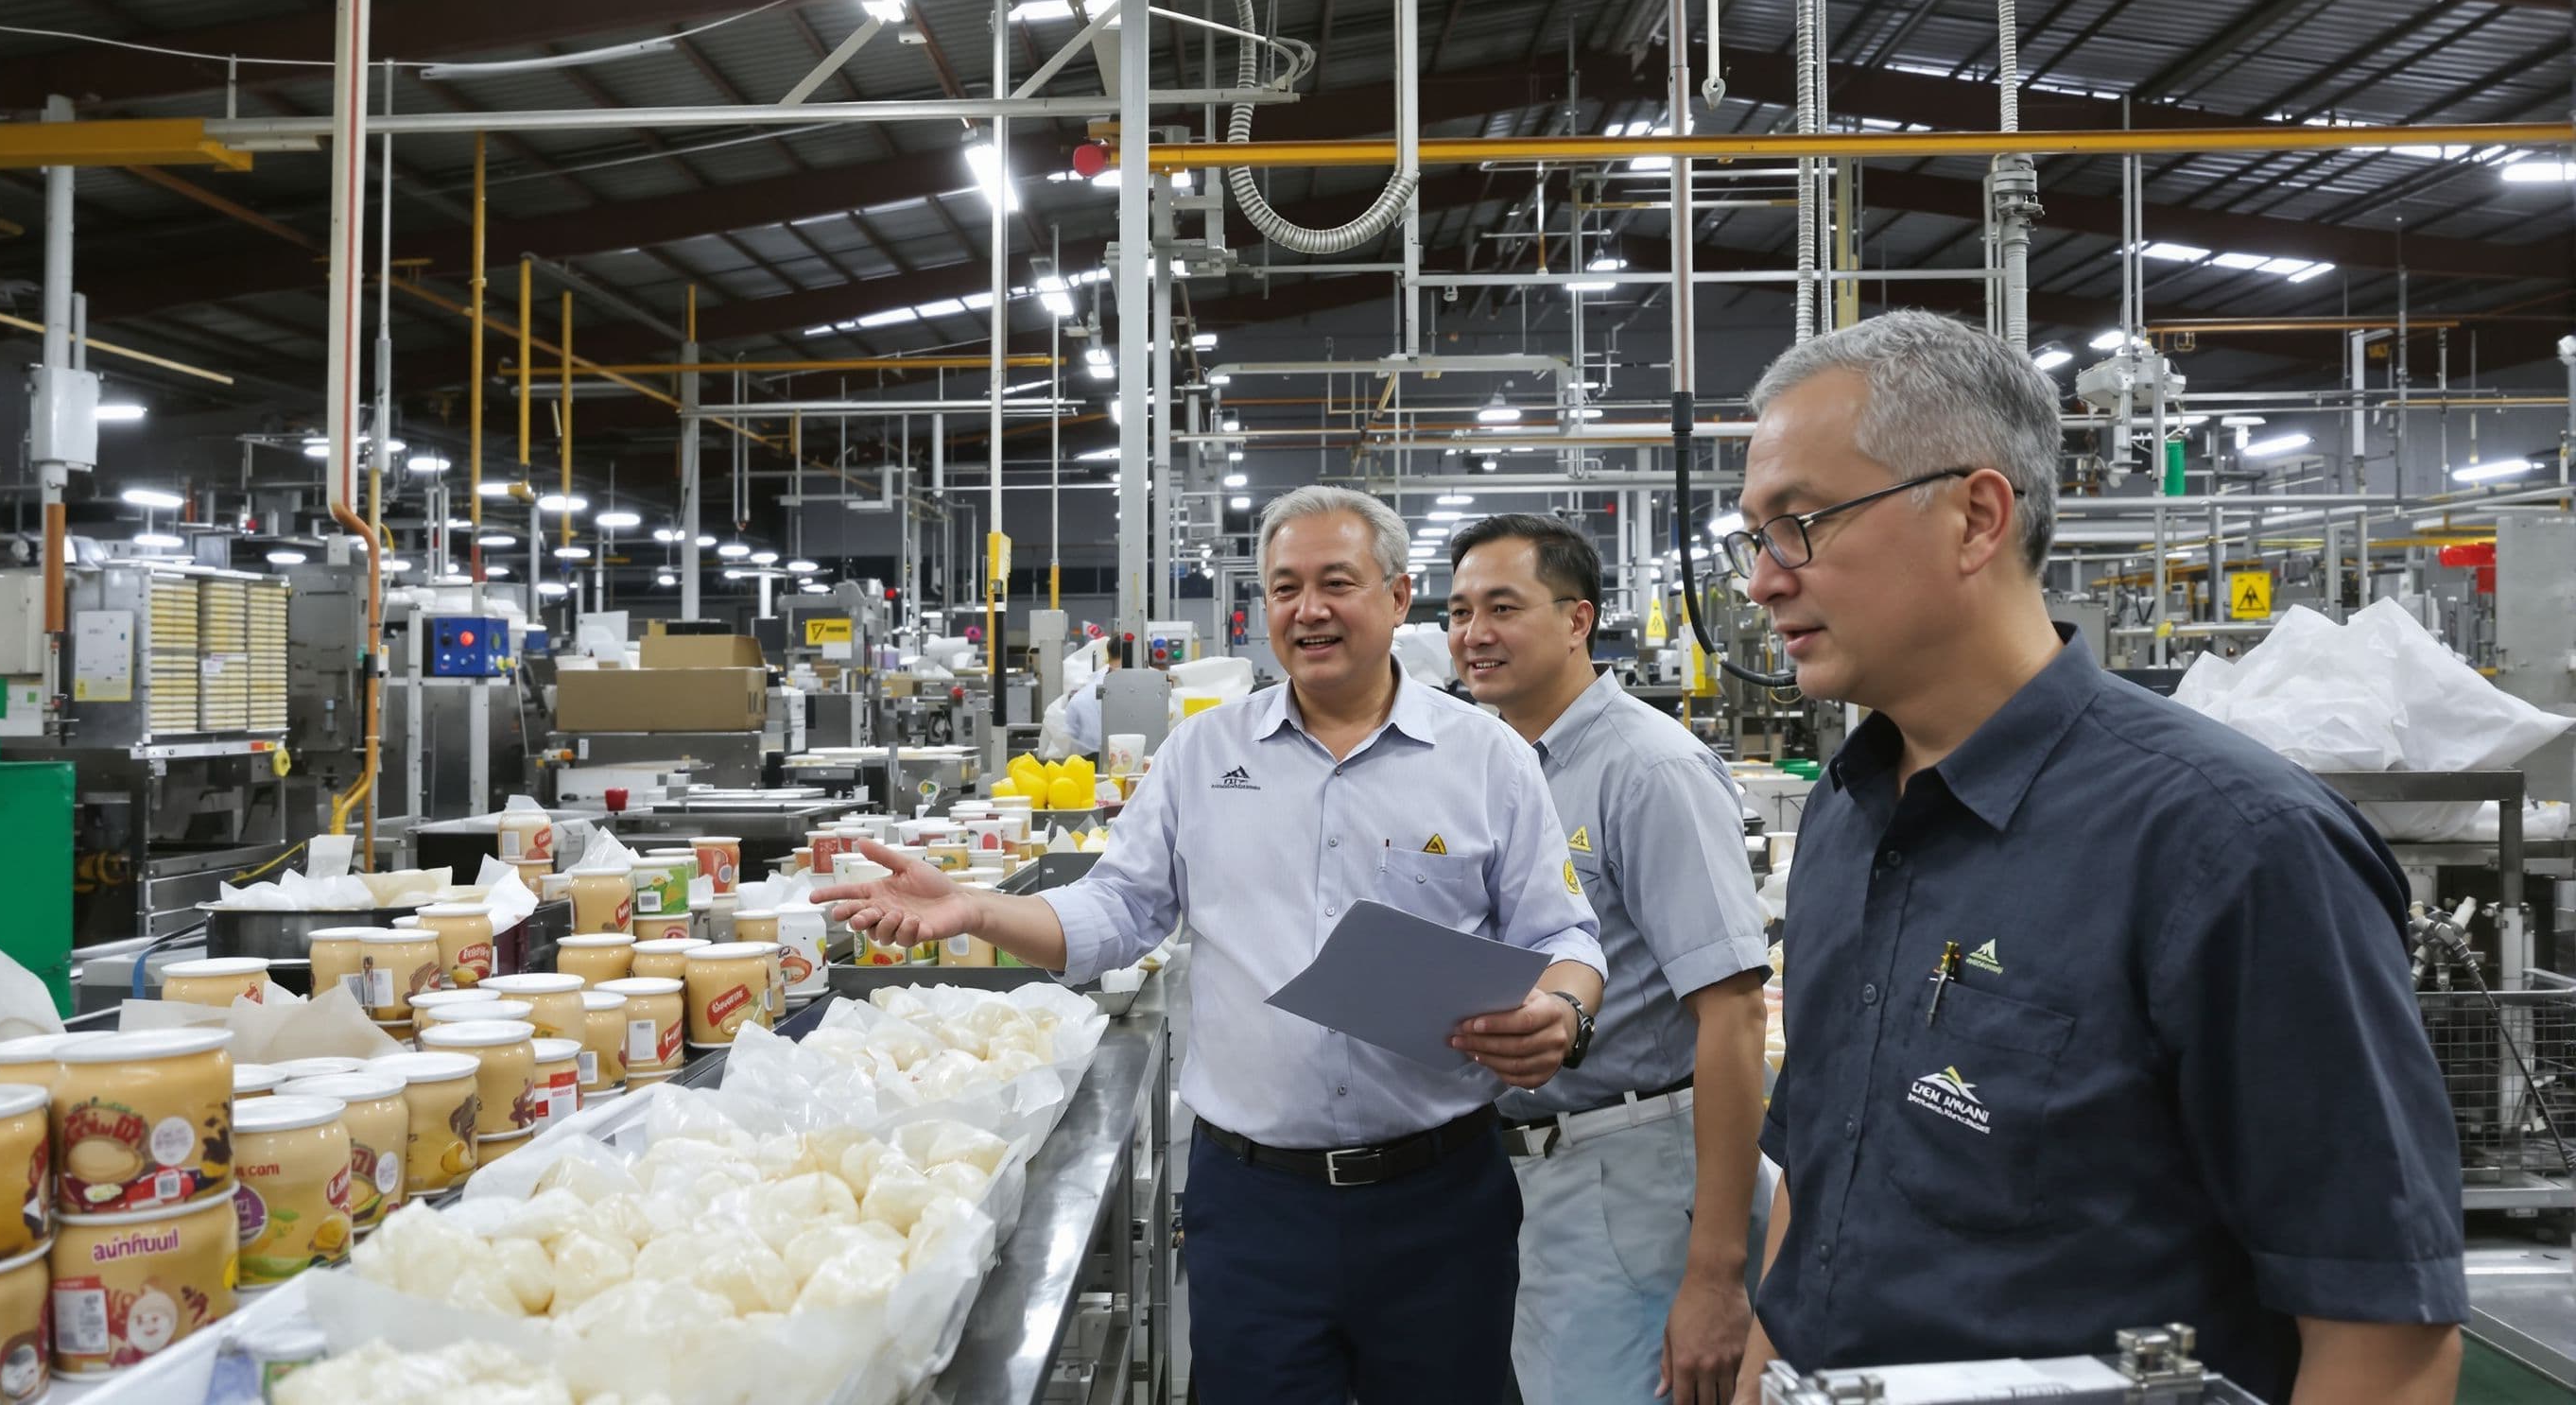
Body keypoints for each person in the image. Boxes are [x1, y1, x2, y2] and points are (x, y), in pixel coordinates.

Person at [1725, 310, 2466, 1404]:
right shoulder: (1847, 820)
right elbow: (1813, 1184)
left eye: (1800, 524)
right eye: (1753, 537)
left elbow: (2381, 1332)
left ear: (1976, 517)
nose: (1762, 581)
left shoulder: (2232, 849)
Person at [818, 484, 1607, 1405]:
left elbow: (1563, 935)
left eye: (1335, 583)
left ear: (1396, 599)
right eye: (1283, 588)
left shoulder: (1486, 758)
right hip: (1257, 1204)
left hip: (1438, 1199)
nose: (1306, 609)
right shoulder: (1201, 757)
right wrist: (977, 911)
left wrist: (1562, 1008)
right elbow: (1116, 912)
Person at [1447, 514, 1771, 1405]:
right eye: (1461, 610)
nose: (1474, 634)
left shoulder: (1648, 769)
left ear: (1577, 619)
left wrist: (1715, 1277)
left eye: (1503, 607)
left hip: (1630, 1177)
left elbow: (1735, 1013)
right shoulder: (1492, 767)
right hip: (1520, 1176)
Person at [1061, 633, 1132, 756]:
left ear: (1108, 654)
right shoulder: (1139, 690)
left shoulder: (1082, 696)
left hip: (1086, 764)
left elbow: (1066, 736)